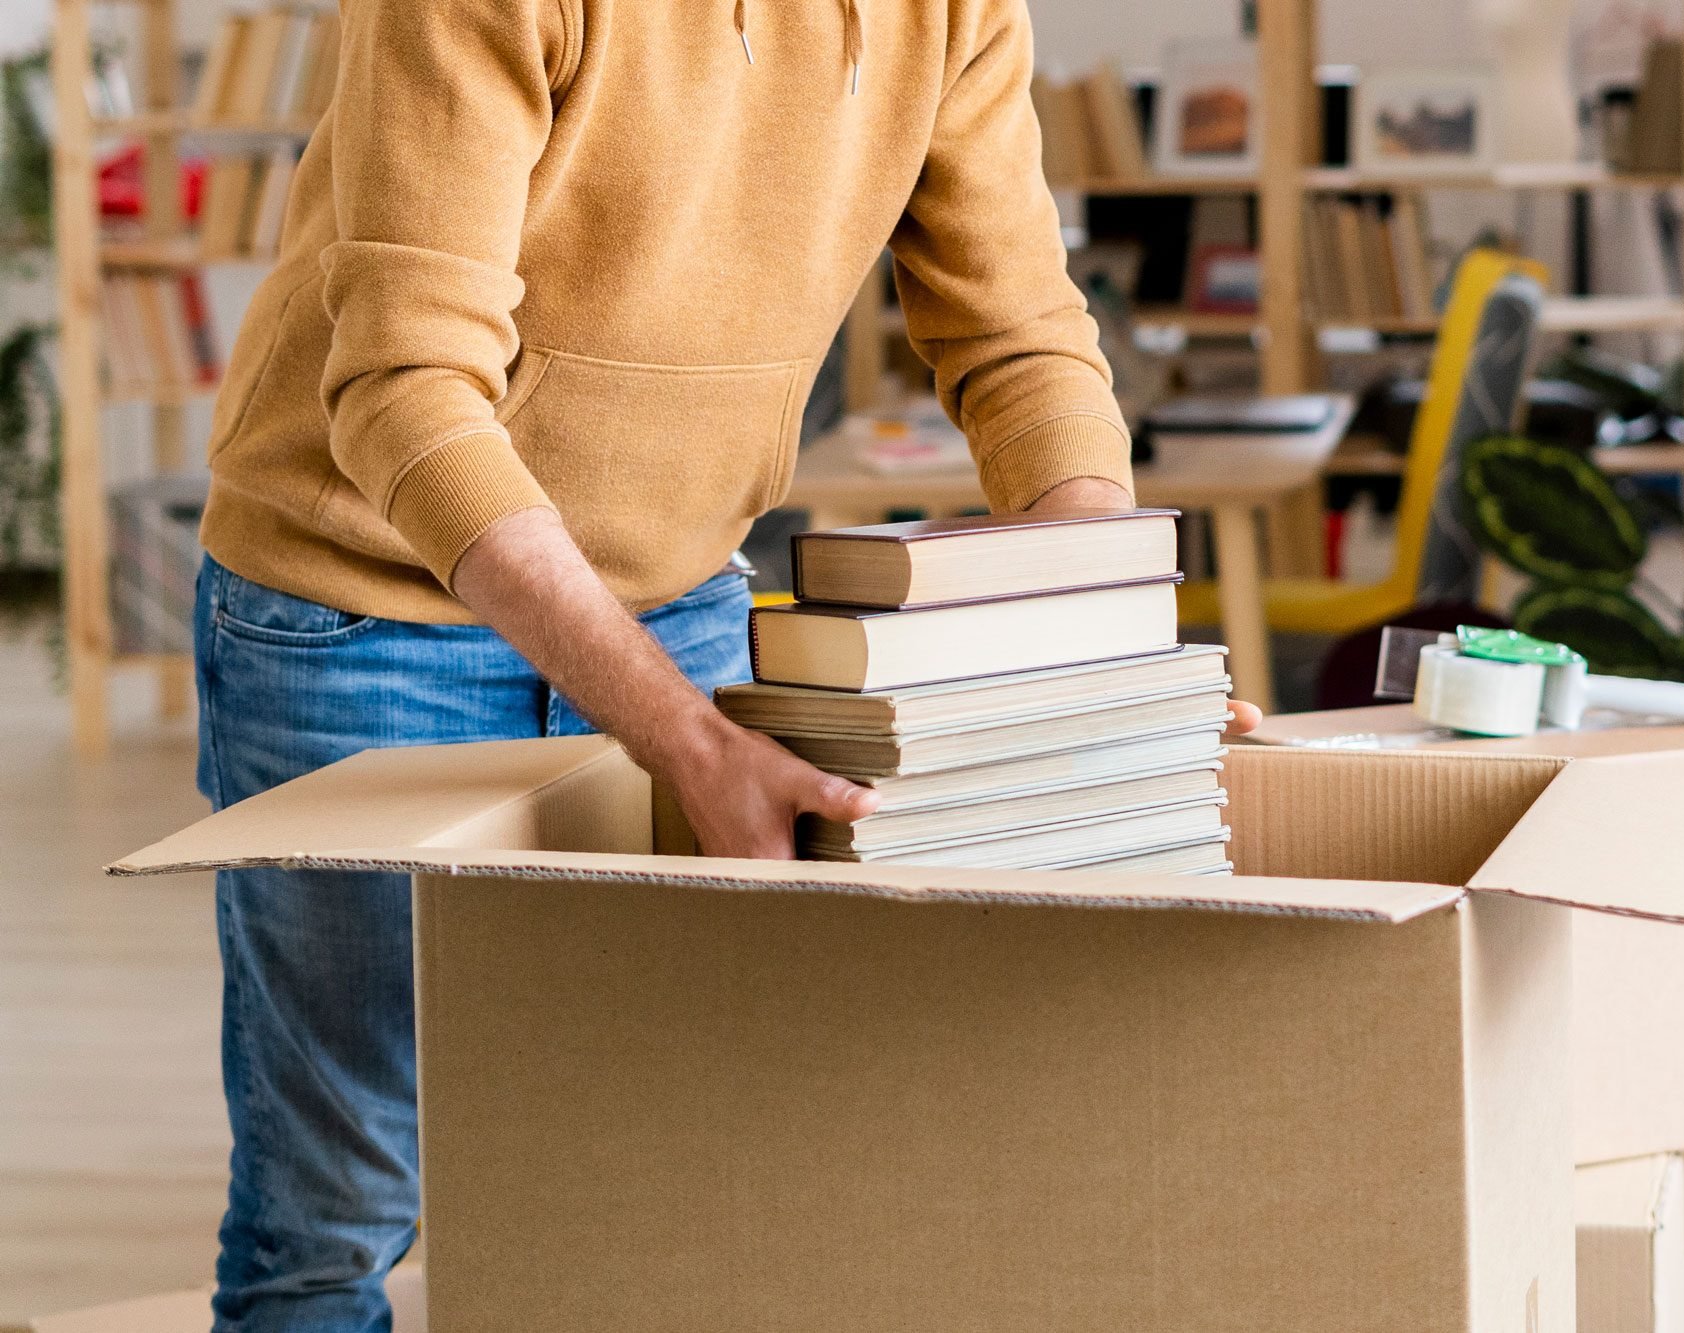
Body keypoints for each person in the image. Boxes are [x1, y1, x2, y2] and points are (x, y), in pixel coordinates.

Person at [190, 0, 1254, 1326]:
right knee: (339, 1199)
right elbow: (405, 384)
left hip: (672, 585)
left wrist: (1115, 651)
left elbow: (1018, 332)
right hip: (363, 604)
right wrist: (681, 732)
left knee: (679, 1152)